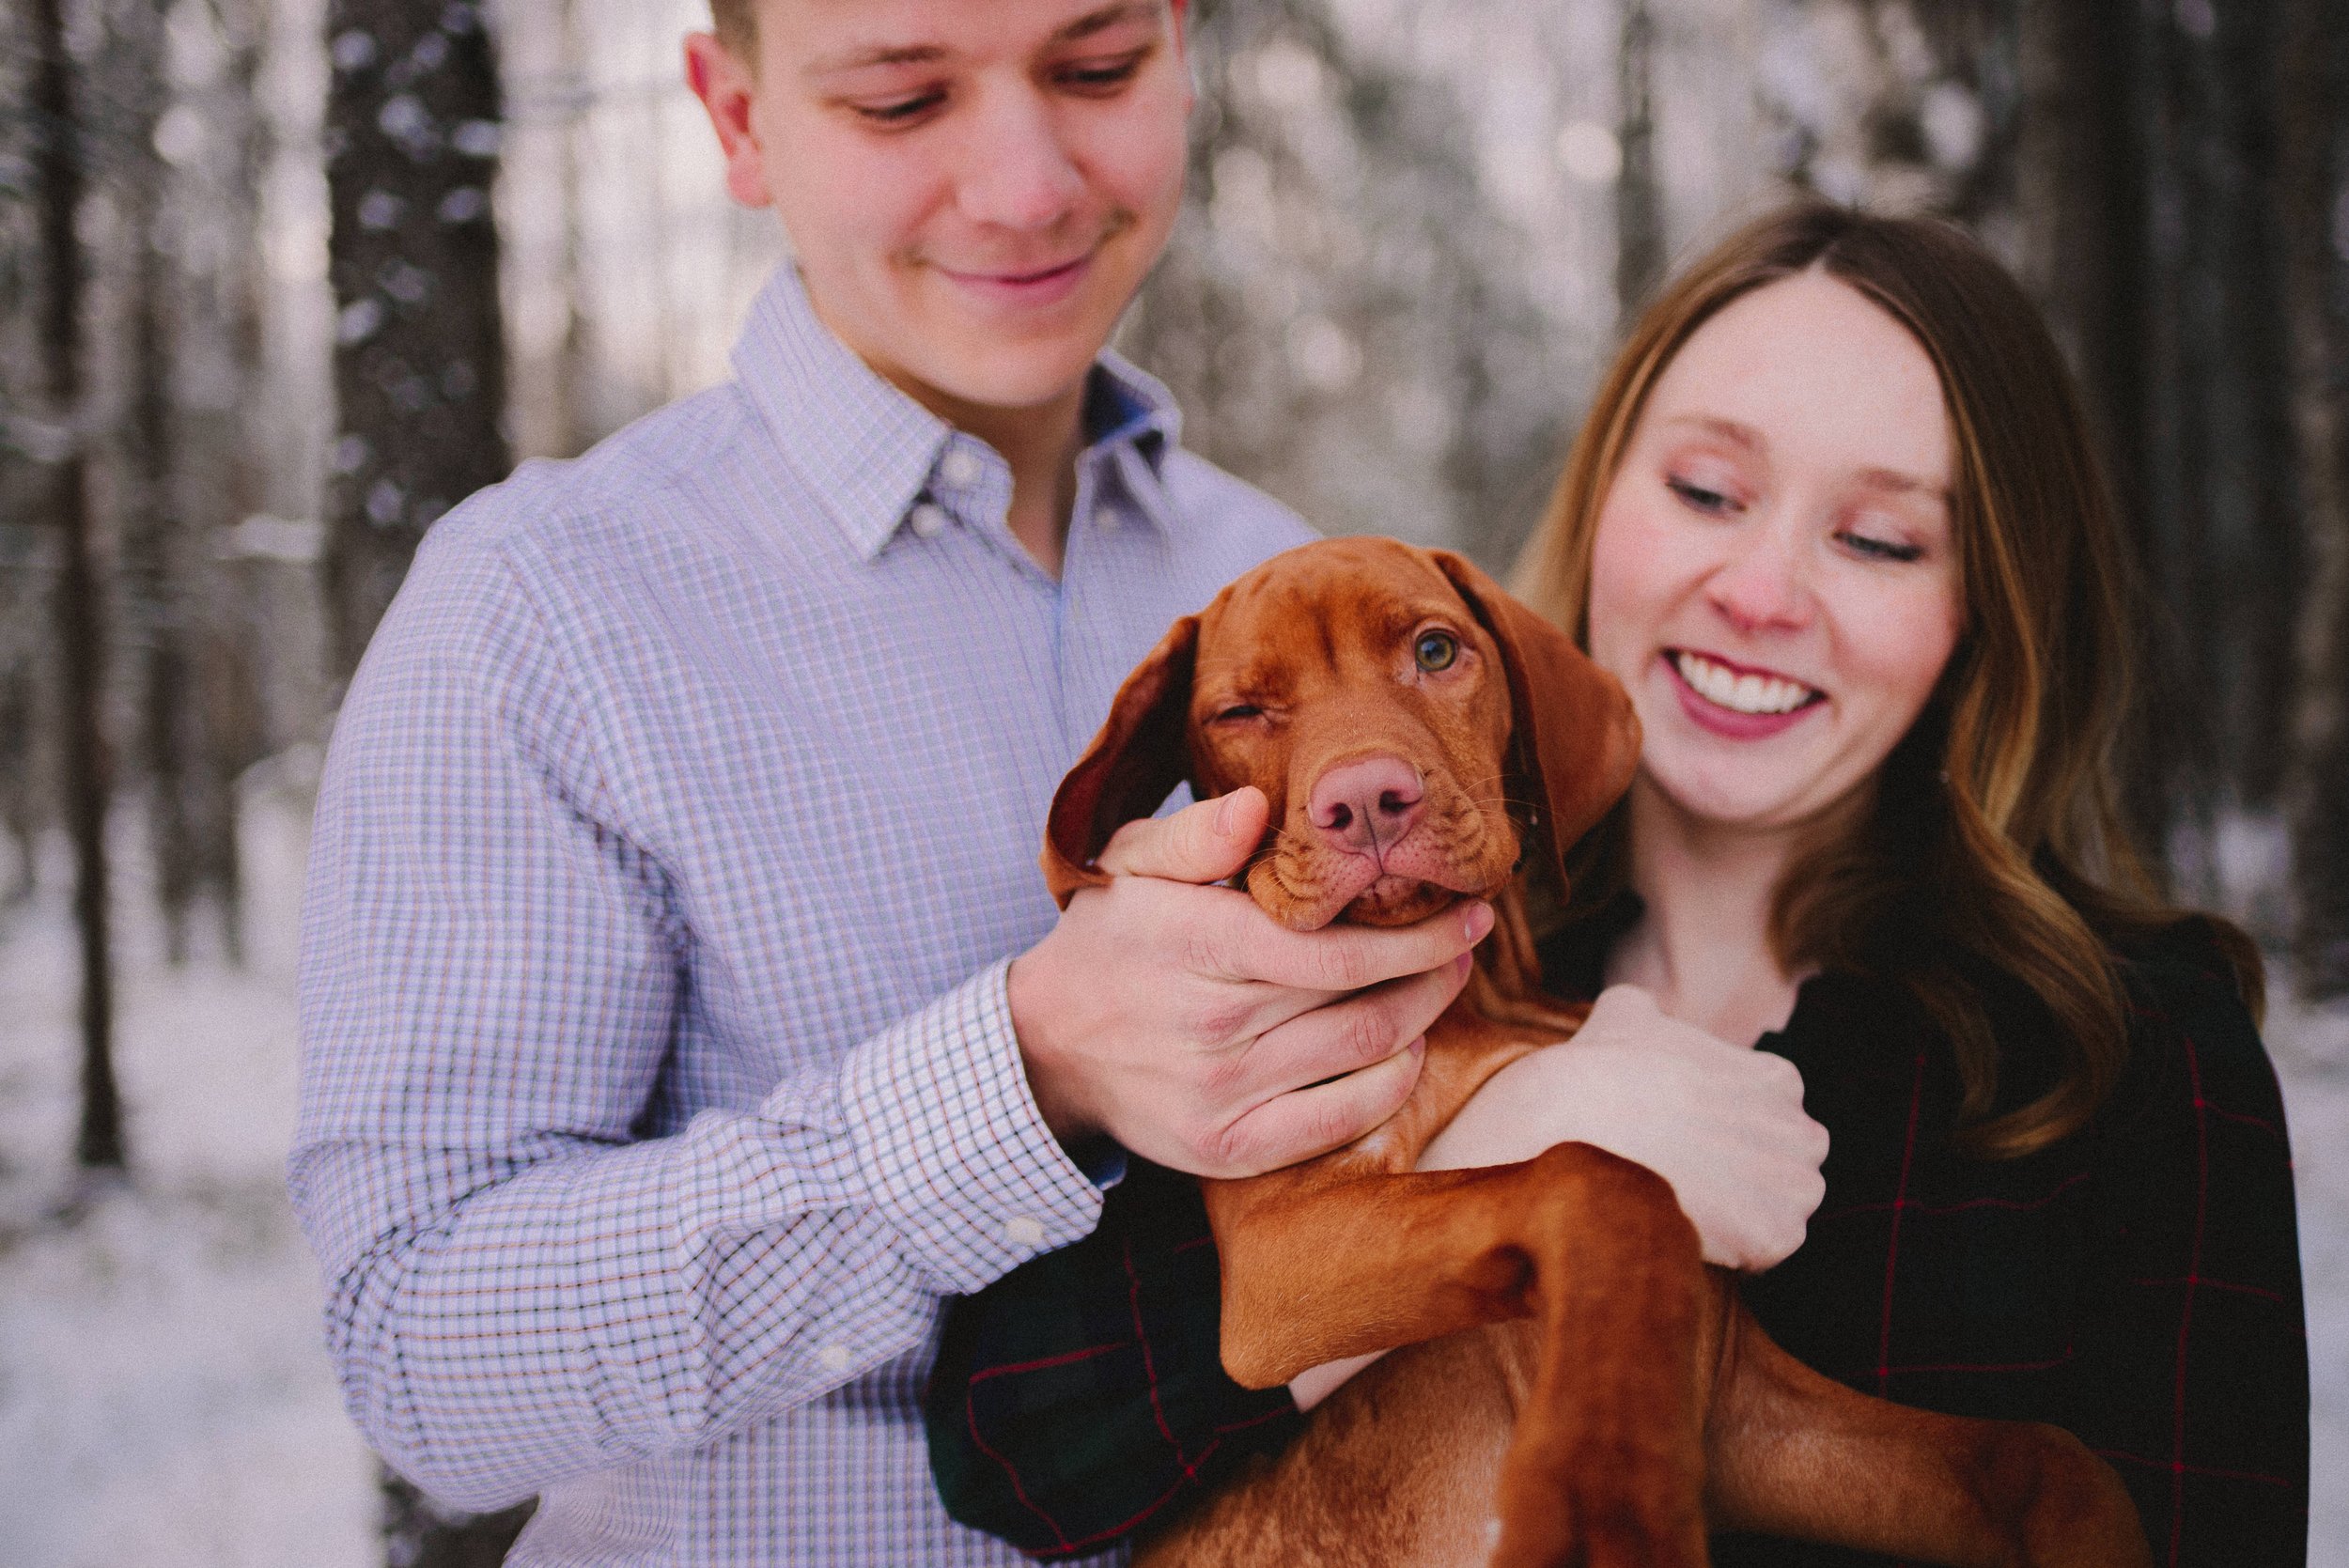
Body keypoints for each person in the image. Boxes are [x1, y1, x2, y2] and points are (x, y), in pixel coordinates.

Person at [288, 3, 1825, 1563]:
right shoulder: (547, 608)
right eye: (901, 100)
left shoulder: (1268, 576)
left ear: (1180, 50)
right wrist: (1023, 1072)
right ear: (738, 117)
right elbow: (421, 1357)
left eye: (1096, 71)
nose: (1026, 187)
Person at [926, 202, 2310, 1567]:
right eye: (1708, 492)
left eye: (1880, 538)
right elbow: (1006, 1442)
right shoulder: (1347, 978)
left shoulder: (2136, 1054)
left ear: (1987, 601)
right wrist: (1507, 1136)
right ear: (1604, 499)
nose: (1761, 593)